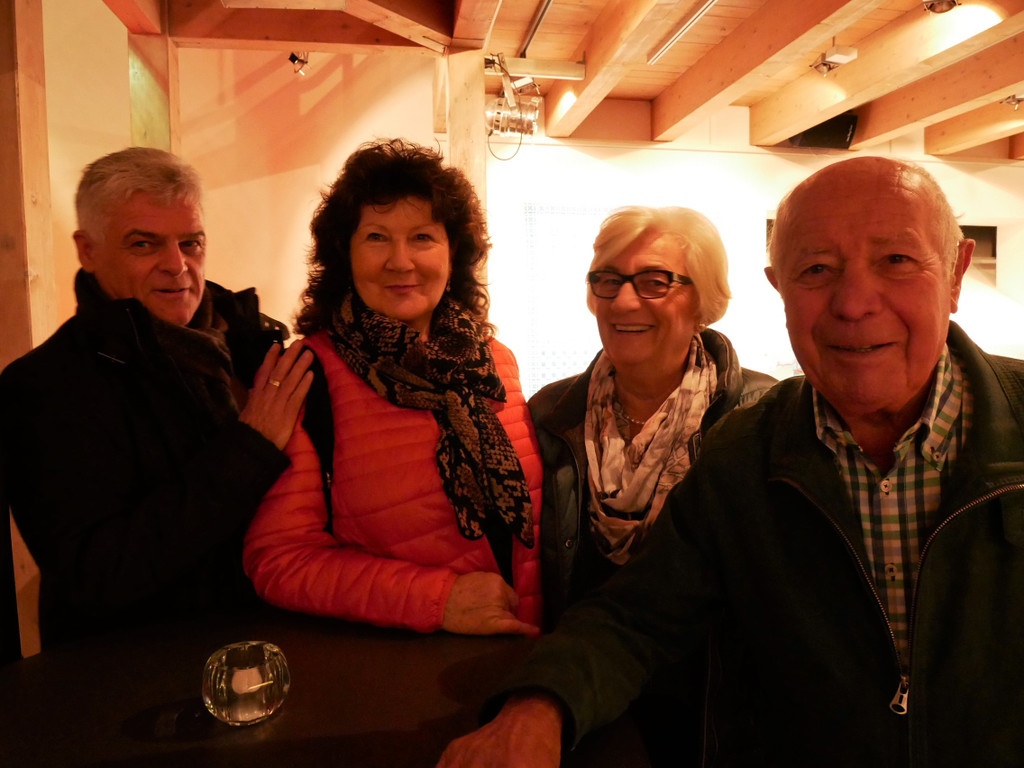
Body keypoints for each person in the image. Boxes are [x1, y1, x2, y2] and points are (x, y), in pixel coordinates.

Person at [436, 155, 1024, 768]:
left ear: (955, 275)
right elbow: (637, 612)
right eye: (816, 269)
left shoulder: (734, 420)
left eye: (896, 260)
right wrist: (541, 705)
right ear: (779, 288)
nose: (853, 303)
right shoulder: (741, 452)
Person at [0, 147, 313, 647]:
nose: (177, 265)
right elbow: (94, 576)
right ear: (88, 250)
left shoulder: (251, 344)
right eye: (144, 244)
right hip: (136, 673)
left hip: (272, 644)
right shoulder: (42, 386)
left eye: (191, 243)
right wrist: (250, 448)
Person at [243, 138, 543, 636]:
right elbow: (280, 560)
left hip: (521, 650)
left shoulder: (495, 362)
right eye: (377, 237)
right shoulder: (308, 376)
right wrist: (440, 600)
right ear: (345, 254)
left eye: (422, 237)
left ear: (453, 251)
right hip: (407, 663)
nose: (401, 261)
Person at [530, 207, 774, 765]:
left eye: (655, 281)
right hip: (580, 706)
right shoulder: (550, 414)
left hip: (713, 720)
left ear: (703, 301)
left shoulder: (758, 419)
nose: (623, 301)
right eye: (607, 280)